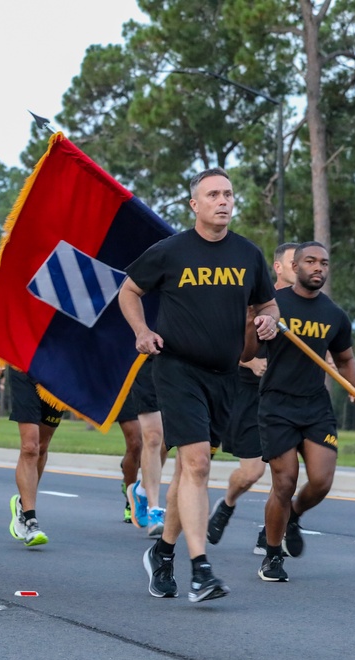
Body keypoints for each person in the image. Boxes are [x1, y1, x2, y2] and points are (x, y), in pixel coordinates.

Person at [119, 167, 279, 603]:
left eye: (228, 194)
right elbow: (128, 291)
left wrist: (269, 320)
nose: (223, 201)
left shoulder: (248, 254)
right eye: (213, 195)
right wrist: (141, 331)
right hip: (176, 369)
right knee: (197, 465)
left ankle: (163, 552)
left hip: (223, 376)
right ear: (195, 205)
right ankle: (201, 570)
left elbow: (267, 301)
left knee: (189, 473)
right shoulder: (170, 251)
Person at [256, 242, 355, 582]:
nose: (319, 267)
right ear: (295, 265)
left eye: (324, 262)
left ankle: (292, 513)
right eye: (311, 261)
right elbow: (248, 344)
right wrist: (259, 324)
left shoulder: (334, 315)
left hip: (315, 405)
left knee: (321, 481)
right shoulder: (274, 305)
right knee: (285, 480)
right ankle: (273, 555)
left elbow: (346, 359)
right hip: (277, 403)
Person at [208, 242, 298, 551]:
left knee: (285, 475)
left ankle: (269, 534)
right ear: (278, 267)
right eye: (294, 262)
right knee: (251, 472)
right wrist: (248, 361)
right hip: (248, 393)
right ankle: (228, 503)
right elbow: (219, 345)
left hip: (287, 399)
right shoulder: (254, 300)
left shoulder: (308, 305)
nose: (303, 268)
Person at [7, 369, 63, 547]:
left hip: (58, 372)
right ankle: (30, 520)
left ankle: (22, 503)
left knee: (42, 446)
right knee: (30, 447)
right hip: (23, 367)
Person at [124, 360, 169, 538]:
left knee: (167, 441)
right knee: (153, 436)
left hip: (180, 364)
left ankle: (141, 490)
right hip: (147, 360)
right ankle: (154, 512)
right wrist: (142, 331)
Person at [117, 392, 143, 525]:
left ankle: (129, 473)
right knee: (135, 444)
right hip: (127, 387)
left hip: (153, 382)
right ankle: (131, 502)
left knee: (154, 444)